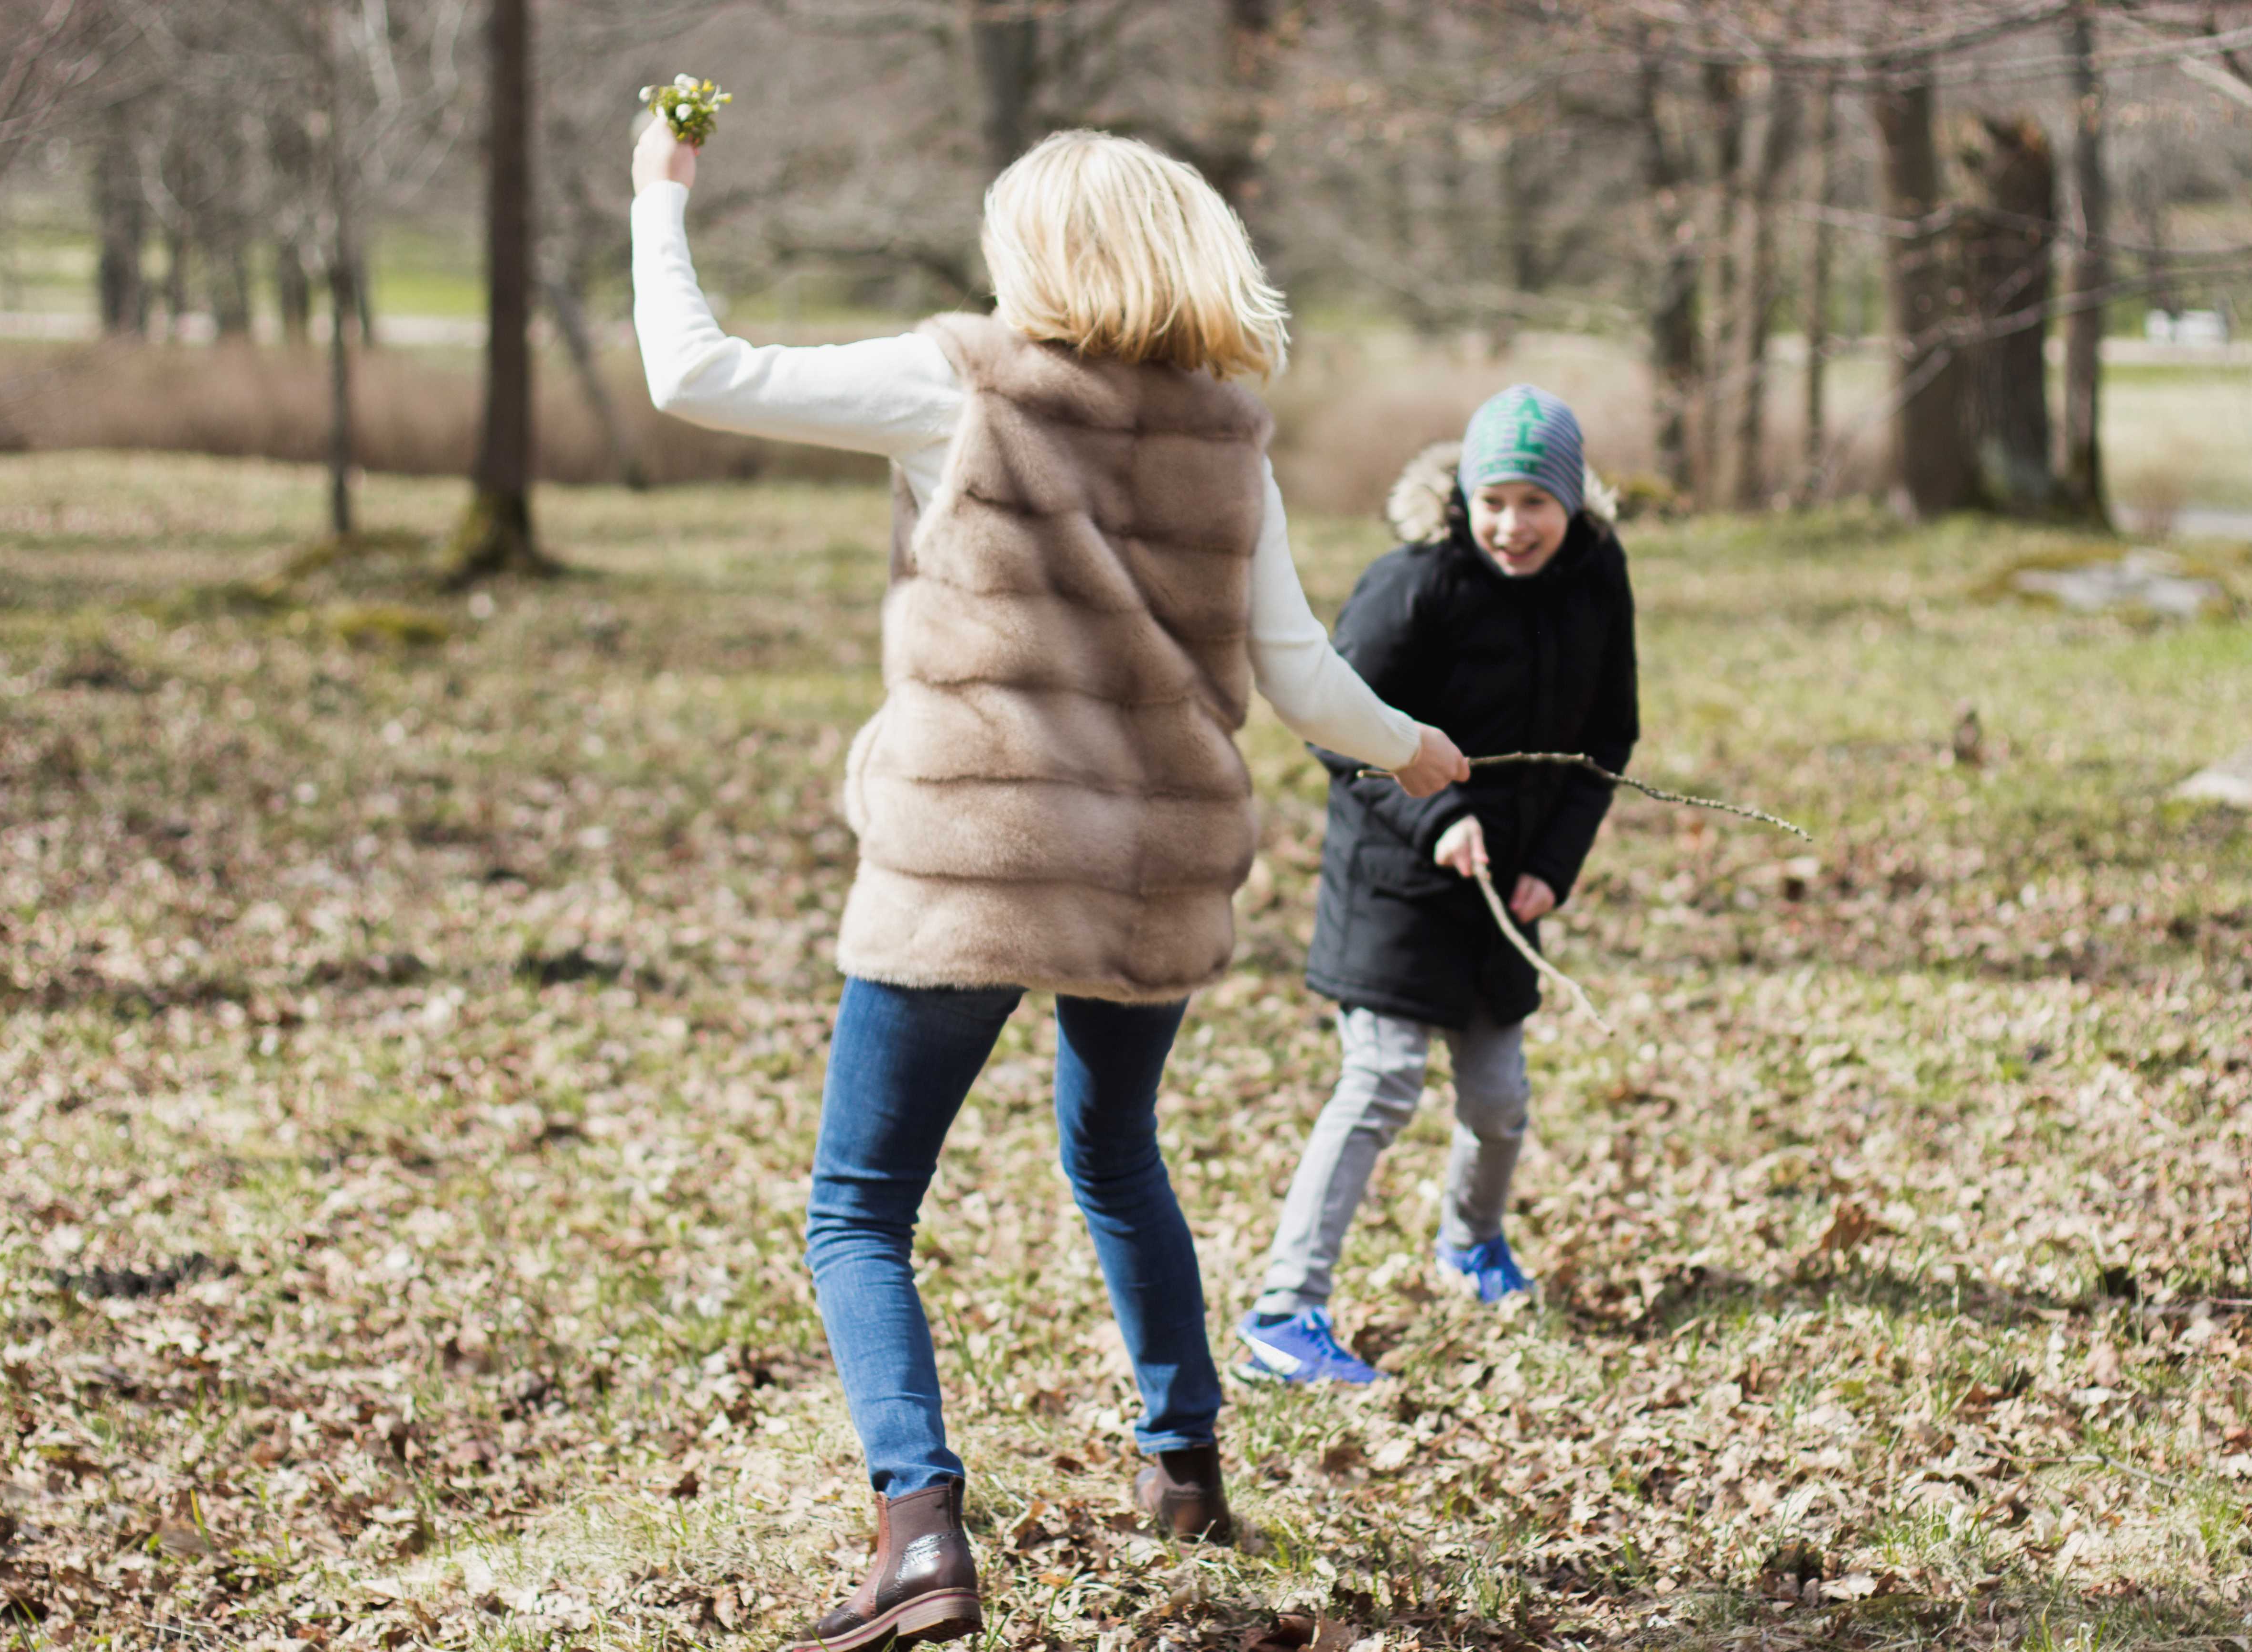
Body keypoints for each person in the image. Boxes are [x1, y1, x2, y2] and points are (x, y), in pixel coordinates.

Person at [629, 119, 1469, 1649]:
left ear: (1043, 253)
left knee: (858, 1210)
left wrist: (658, 196)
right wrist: (1413, 750)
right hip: (1148, 862)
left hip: (976, 859)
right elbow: (1299, 674)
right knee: (1116, 1150)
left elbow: (694, 373)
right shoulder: (1229, 432)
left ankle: (918, 1538)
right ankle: (1186, 1466)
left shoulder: (967, 382)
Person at [1234, 386, 1638, 1387]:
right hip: (1395, 885)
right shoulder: (1414, 584)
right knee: (1380, 1084)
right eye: (1493, 501)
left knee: (1499, 1102)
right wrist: (1436, 818)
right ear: (1462, 496)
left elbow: (1610, 736)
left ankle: (1471, 1247)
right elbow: (1336, 727)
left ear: (1573, 502)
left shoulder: (1598, 579)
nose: (1512, 525)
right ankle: (1287, 1310)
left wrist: (1554, 866)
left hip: (1507, 894)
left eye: (1535, 503)